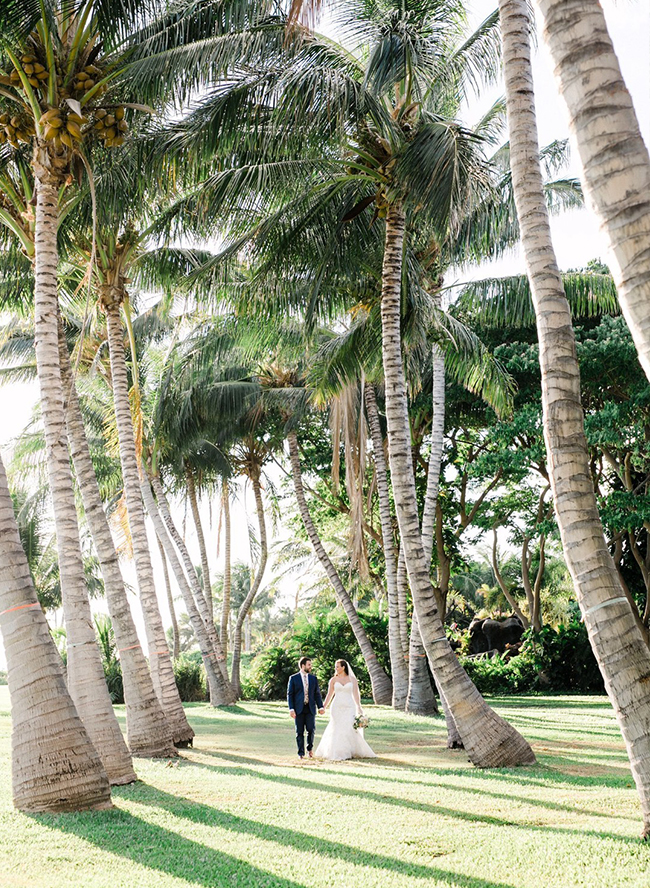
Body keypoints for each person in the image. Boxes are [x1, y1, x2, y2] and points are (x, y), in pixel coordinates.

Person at [315, 659, 377, 761]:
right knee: (337, 727)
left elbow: (356, 694)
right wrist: (323, 707)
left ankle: (349, 750)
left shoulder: (352, 679)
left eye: (338, 666)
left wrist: (359, 707)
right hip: (337, 706)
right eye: (336, 667)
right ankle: (337, 751)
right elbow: (329, 694)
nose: (336, 668)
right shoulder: (333, 680)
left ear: (343, 667)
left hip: (349, 706)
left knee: (349, 727)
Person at [287, 657, 325, 759]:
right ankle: (301, 753)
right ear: (303, 665)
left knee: (311, 730)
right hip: (298, 709)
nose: (311, 667)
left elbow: (317, 694)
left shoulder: (313, 679)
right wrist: (291, 709)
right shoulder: (293, 678)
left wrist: (321, 706)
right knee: (299, 732)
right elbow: (290, 694)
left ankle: (310, 749)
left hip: (310, 708)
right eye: (309, 665)